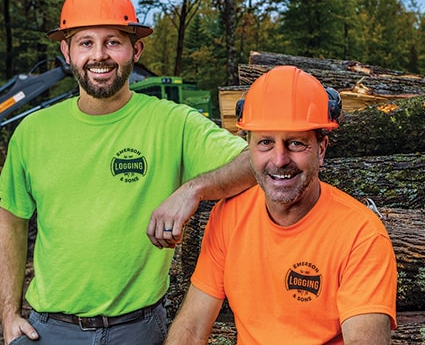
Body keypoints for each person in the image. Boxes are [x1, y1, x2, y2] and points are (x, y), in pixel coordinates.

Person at [0, 0, 255, 345]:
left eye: (113, 41)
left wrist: (193, 189)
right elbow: (10, 224)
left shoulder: (172, 122)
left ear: (136, 49)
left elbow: (256, 161)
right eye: (86, 42)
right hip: (49, 330)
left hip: (140, 330)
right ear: (67, 52)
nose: (99, 55)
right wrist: (8, 314)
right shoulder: (33, 132)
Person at [165, 66, 398, 344]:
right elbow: (190, 329)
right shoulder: (229, 217)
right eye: (265, 142)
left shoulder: (361, 235)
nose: (279, 159)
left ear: (321, 149)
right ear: (248, 147)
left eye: (295, 143)